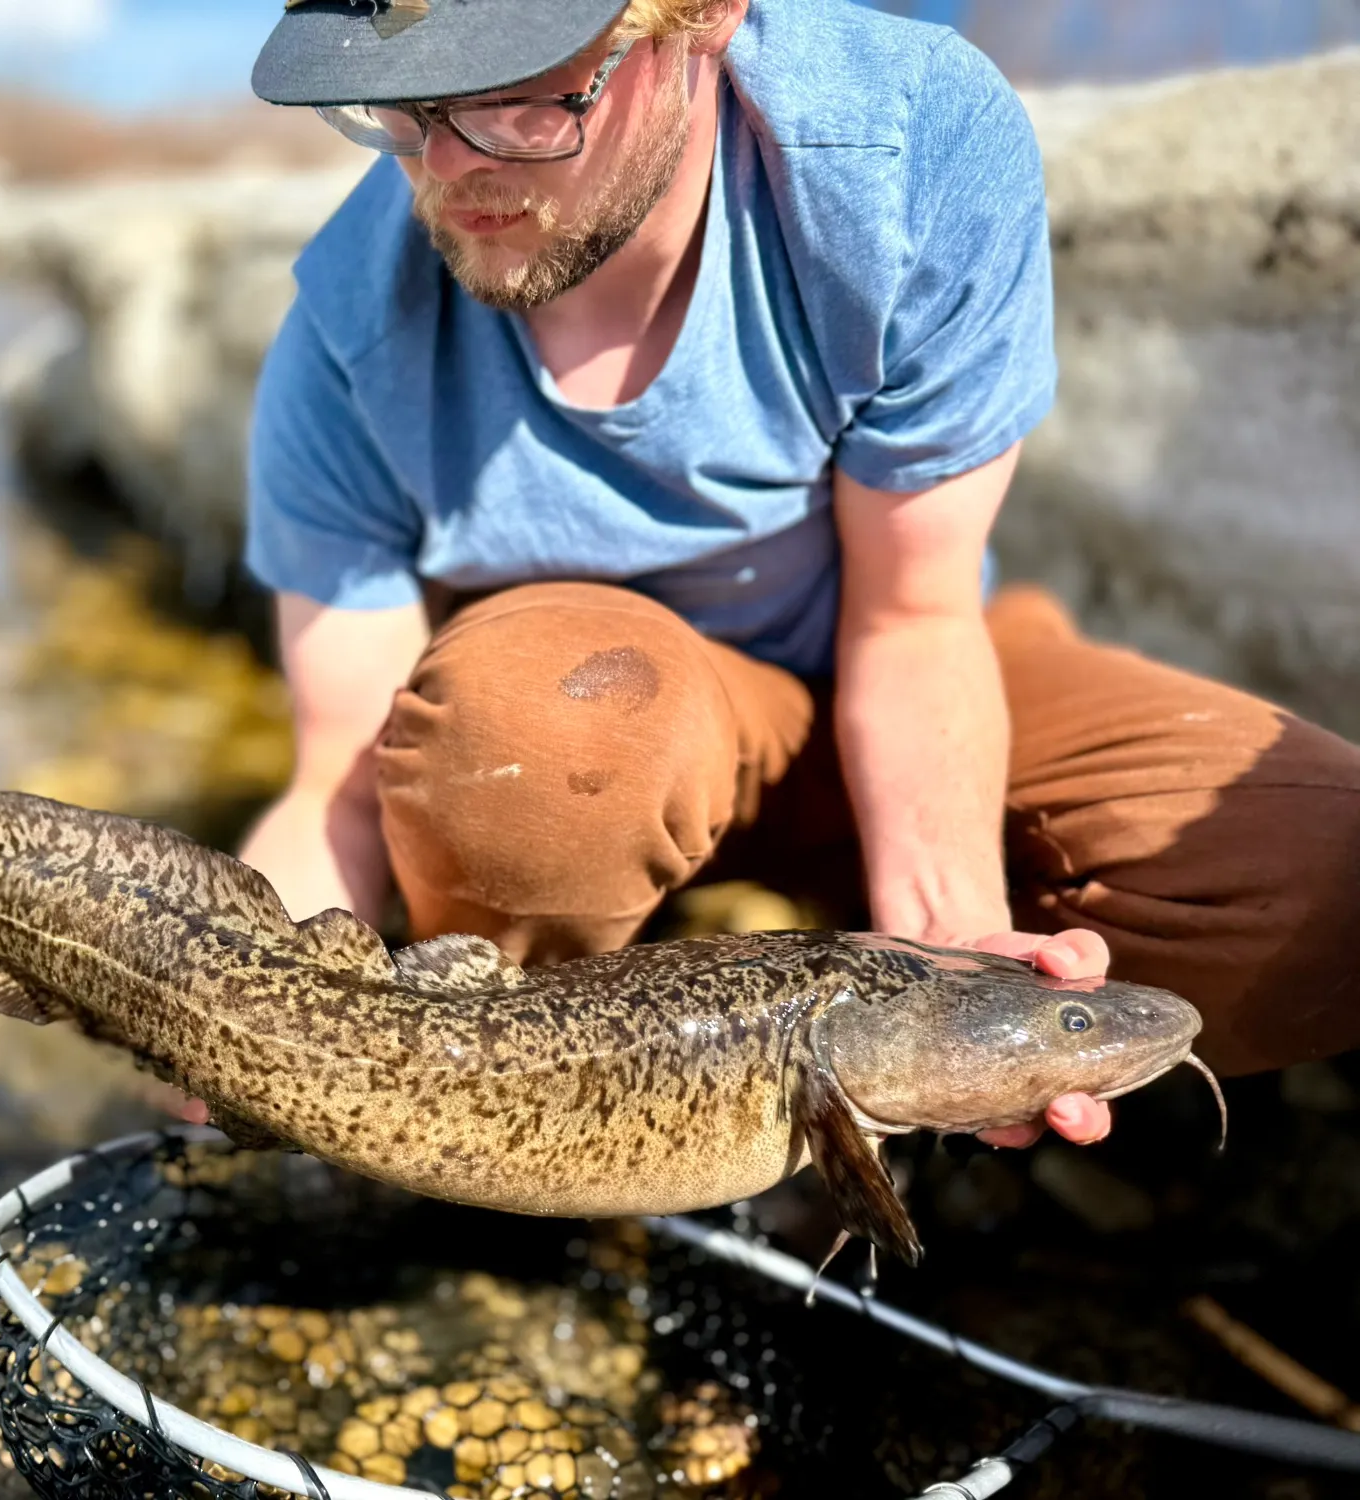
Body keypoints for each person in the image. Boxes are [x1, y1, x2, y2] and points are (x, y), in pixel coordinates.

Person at [171, 0, 1360, 1148]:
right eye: (400, 109)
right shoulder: (346, 332)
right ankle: (559, 1123)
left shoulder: (906, 149)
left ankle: (841, 1070)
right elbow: (339, 774)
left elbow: (914, 620)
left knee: (1320, 882)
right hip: (604, 760)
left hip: (893, 656)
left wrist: (949, 966)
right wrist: (234, 1022)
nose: (447, 170)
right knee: (530, 732)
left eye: (518, 102)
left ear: (703, 16)